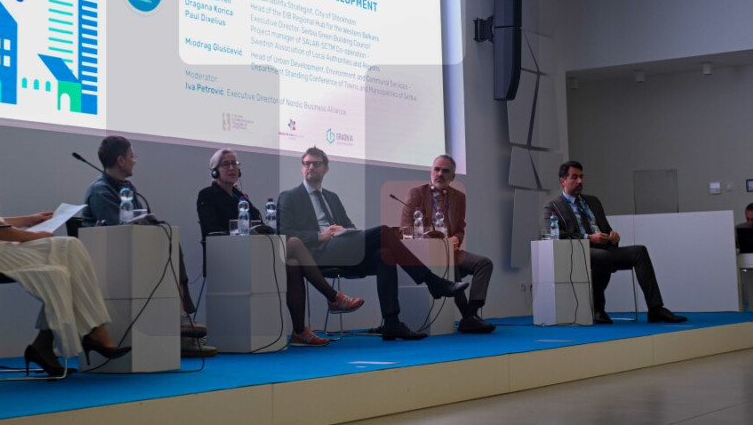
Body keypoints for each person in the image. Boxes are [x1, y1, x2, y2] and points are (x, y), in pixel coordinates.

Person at [0, 98, 129, 377]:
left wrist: (28, 220)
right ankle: (93, 332)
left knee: (61, 269)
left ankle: (47, 345)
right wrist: (30, 236)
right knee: (69, 247)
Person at [278, 147, 468, 341]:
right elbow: (284, 233)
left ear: (326, 168)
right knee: (384, 231)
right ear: (302, 168)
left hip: (341, 248)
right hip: (316, 253)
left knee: (385, 254)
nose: (310, 167)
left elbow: (350, 226)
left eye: (316, 163)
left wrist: (344, 231)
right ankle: (433, 281)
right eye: (306, 163)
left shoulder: (331, 197)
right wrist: (320, 235)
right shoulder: (289, 196)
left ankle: (392, 323)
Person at [197, 149, 364, 347]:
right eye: (226, 164)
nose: (232, 168)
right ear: (214, 171)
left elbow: (259, 224)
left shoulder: (240, 197)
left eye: (235, 164)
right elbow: (211, 231)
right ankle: (333, 298)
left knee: (292, 263)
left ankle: (300, 332)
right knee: (294, 243)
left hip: (255, 253)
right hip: (229, 256)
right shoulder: (207, 195)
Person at [81, 136, 216, 358]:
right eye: (132, 156)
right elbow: (116, 231)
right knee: (166, 247)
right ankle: (180, 322)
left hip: (133, 252)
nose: (135, 161)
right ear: (121, 160)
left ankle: (180, 321)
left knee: (170, 243)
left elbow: (136, 223)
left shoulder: (127, 188)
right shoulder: (100, 190)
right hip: (109, 258)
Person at [543, 161, 687, 325]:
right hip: (579, 251)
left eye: (581, 177)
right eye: (574, 177)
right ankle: (597, 308)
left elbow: (606, 228)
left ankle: (655, 309)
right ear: (562, 180)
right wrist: (588, 237)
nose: (580, 181)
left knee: (639, 251)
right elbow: (555, 234)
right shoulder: (553, 206)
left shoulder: (593, 201)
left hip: (605, 248)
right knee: (603, 257)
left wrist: (613, 236)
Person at [400, 155, 495, 334]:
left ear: (452, 176)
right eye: (436, 169)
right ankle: (468, 317)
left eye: (445, 171)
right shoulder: (416, 193)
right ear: (431, 171)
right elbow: (405, 229)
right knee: (450, 261)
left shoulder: (459, 197)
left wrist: (457, 239)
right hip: (425, 254)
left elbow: (460, 228)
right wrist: (432, 237)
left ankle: (471, 313)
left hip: (450, 250)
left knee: (484, 263)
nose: (440, 174)